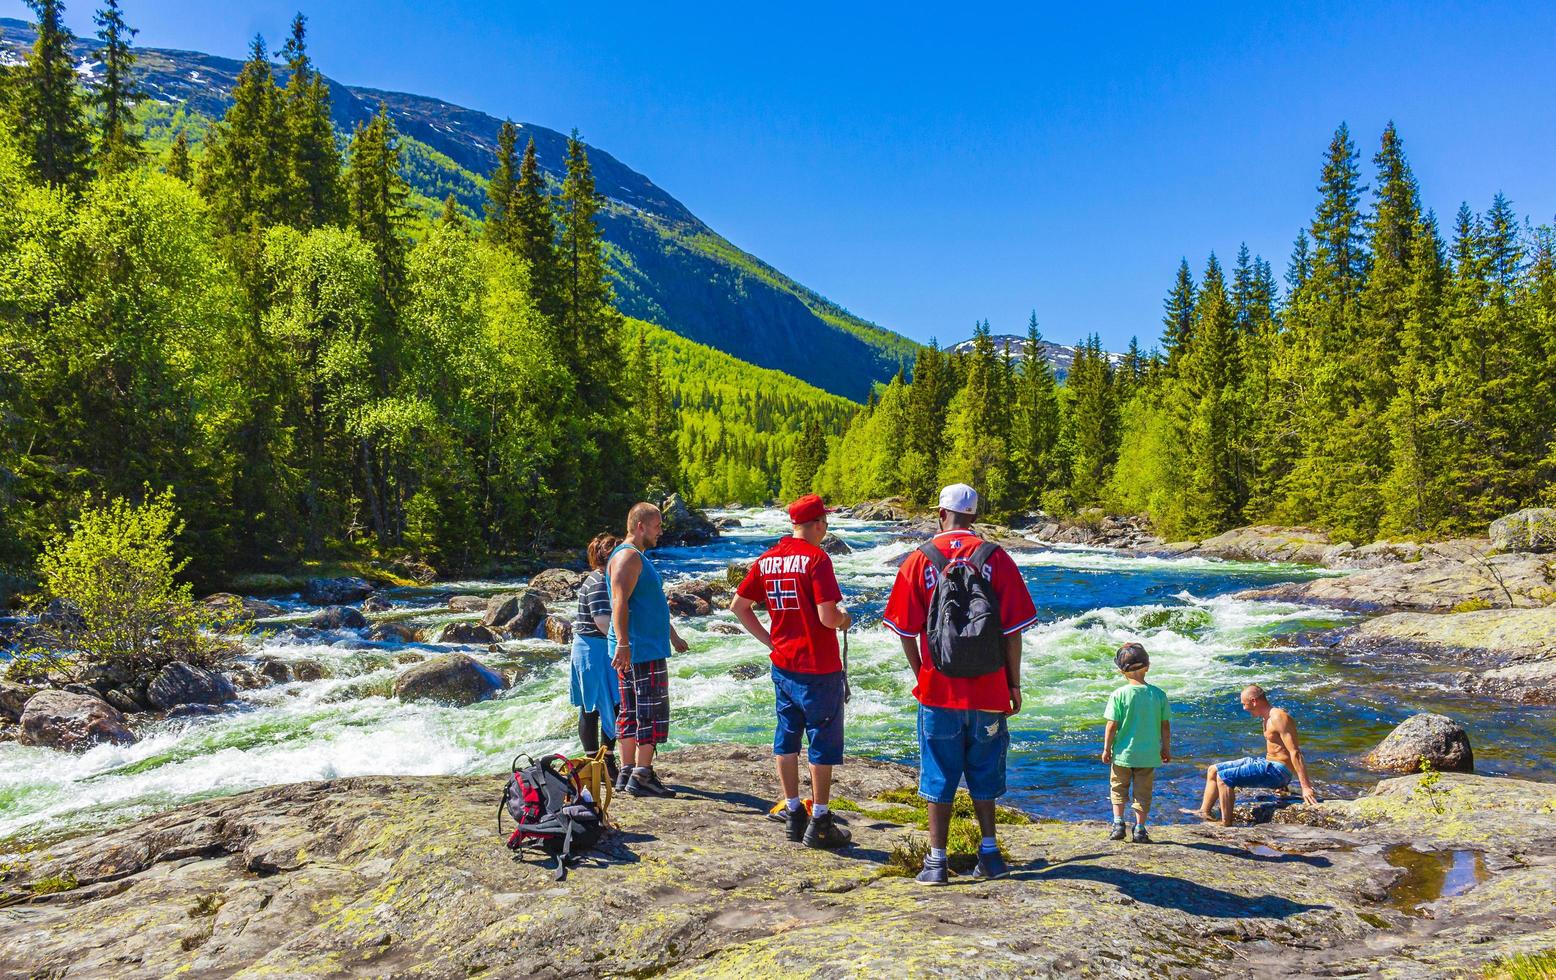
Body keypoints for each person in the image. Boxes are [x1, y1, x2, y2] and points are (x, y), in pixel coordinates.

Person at [883, 483, 1038, 885]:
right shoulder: (996, 558)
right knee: (985, 770)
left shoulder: (919, 560)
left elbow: (903, 629)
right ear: (974, 516)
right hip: (989, 690)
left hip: (938, 691)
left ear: (940, 514)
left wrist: (922, 674)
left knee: (939, 771)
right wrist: (1013, 684)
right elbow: (1014, 631)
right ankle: (990, 854)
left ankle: (936, 862)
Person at [731, 493, 854, 849]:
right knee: (821, 741)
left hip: (784, 664)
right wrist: (845, 619)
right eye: (825, 522)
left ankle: (793, 810)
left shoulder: (768, 559)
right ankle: (821, 820)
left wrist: (770, 642)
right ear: (817, 525)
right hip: (819, 667)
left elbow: (738, 606)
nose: (826, 528)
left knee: (787, 737)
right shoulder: (817, 559)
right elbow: (828, 617)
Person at [608, 502, 690, 798]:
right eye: (656, 525)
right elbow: (619, 602)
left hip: (640, 646)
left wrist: (673, 635)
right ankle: (641, 775)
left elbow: (647, 605)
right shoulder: (628, 557)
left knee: (631, 711)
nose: (660, 531)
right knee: (650, 713)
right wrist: (623, 642)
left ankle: (628, 772)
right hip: (639, 649)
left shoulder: (633, 556)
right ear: (640, 526)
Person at [1182, 684, 1319, 826]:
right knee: (1213, 770)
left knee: (1224, 778)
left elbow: (1295, 752)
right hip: (1269, 765)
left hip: (1277, 771)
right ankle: (1204, 811)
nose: (1243, 708)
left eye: (1244, 704)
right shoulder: (1267, 717)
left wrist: (1305, 787)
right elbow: (1278, 749)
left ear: (1254, 701)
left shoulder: (1279, 717)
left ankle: (1226, 824)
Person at [1100, 642, 1170, 843]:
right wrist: (1165, 748)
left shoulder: (1119, 694)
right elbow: (1165, 727)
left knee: (1118, 787)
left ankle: (1118, 823)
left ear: (1121, 671)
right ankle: (1139, 829)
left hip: (1123, 754)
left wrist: (1106, 749)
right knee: (1143, 792)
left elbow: (1112, 726)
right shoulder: (1158, 695)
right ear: (1148, 666)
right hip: (1148, 755)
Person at [570, 532, 621, 781]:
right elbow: (603, 622)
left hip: (592, 648)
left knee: (602, 705)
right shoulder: (600, 582)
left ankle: (602, 760)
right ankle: (599, 762)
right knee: (599, 706)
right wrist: (627, 640)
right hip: (595, 650)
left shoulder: (602, 579)